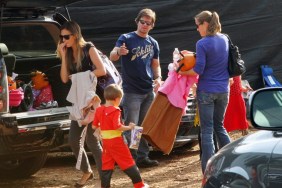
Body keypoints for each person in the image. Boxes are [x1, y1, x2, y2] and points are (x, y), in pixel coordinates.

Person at [178, 10, 231, 173]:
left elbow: (198, 70)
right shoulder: (224, 38)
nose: (197, 29)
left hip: (207, 90)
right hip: (223, 90)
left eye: (198, 25)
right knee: (220, 127)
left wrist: (180, 71)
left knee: (207, 131)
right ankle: (232, 161)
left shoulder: (202, 43)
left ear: (205, 24)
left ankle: (208, 171)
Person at [109, 8, 162, 168]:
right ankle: (129, 159)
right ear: (137, 21)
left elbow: (155, 64)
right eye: (142, 22)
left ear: (152, 25)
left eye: (148, 23)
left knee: (143, 125)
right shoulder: (126, 38)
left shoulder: (153, 43)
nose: (145, 25)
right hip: (132, 90)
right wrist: (119, 51)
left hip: (148, 89)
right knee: (132, 126)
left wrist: (158, 78)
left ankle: (142, 157)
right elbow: (112, 56)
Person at [57, 20, 106, 187]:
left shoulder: (89, 48)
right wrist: (63, 56)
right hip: (78, 101)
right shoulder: (68, 53)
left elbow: (102, 70)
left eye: (66, 36)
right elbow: (64, 78)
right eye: (61, 37)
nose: (63, 40)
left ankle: (104, 177)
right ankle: (87, 170)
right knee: (73, 139)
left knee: (92, 141)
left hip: (92, 100)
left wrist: (83, 77)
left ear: (75, 35)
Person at [92, 84, 149, 188]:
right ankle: (140, 185)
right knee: (128, 161)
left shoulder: (99, 110)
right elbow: (117, 127)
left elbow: (94, 126)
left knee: (107, 165)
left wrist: (103, 126)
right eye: (120, 99)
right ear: (117, 98)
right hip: (117, 141)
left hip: (106, 142)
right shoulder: (116, 110)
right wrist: (130, 127)